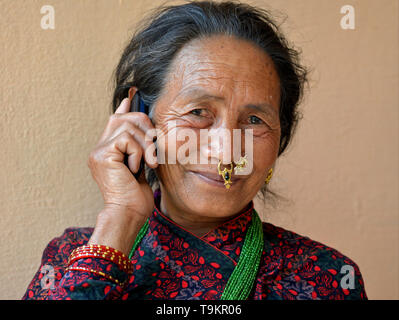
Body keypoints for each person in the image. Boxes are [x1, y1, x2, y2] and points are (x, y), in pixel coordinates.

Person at [23, 0, 367, 300]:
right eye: (198, 112)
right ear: (141, 118)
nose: (225, 149)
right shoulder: (71, 259)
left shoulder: (326, 279)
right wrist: (119, 219)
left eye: (254, 119)